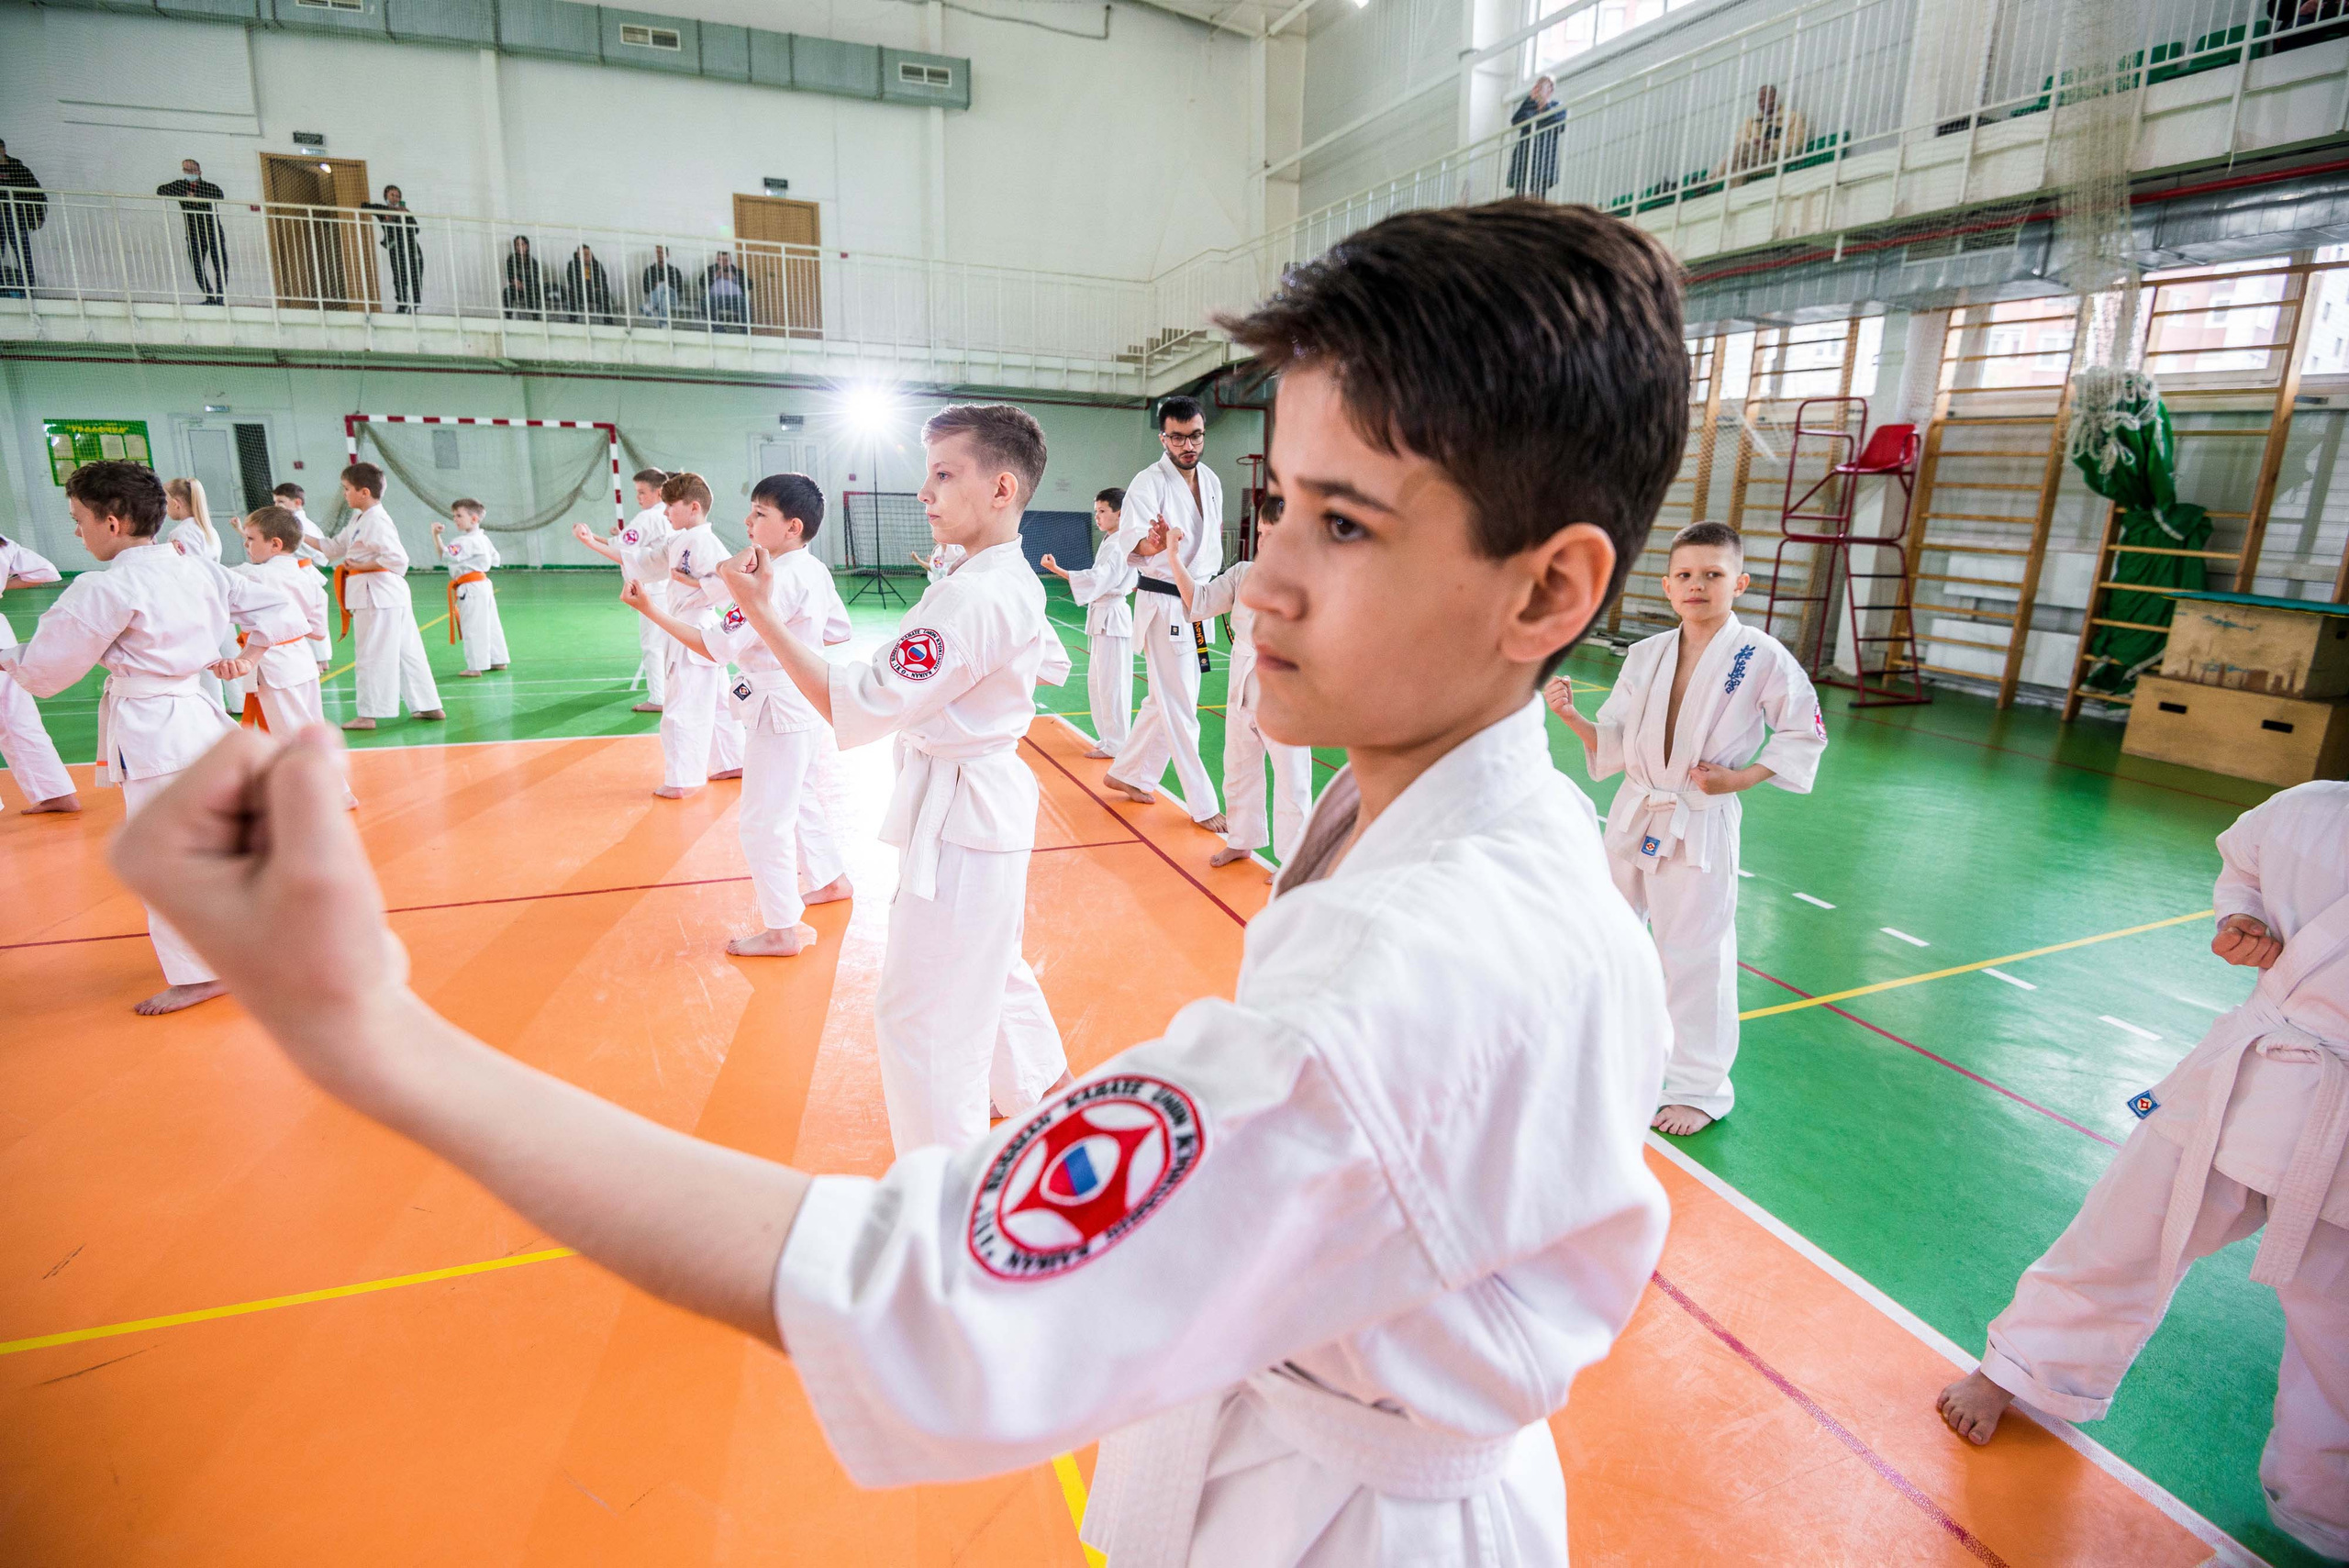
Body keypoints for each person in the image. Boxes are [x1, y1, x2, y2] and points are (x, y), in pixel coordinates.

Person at [106, 200, 1688, 1567]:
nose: (1263, 573)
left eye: (1345, 523)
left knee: (945, 1044)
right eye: (1275, 500)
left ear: (1547, 586)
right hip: (1310, 1442)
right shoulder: (1423, 819)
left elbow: (911, 1289)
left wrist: (377, 1030)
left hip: (1356, 1521)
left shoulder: (1421, 978)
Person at [1937, 780, 2349, 1562]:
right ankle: (2020, 1368)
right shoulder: (2311, 808)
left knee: (2342, 1324)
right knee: (2120, 1232)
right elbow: (2243, 861)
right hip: (2247, 1071)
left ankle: (2329, 1507)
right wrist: (2242, 918)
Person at [718, 404, 1074, 1152]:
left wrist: (760, 613)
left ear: (1002, 488)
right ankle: (1038, 1086)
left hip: (964, 816)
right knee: (987, 963)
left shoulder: (978, 595)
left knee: (925, 1018)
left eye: (945, 474)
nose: (924, 491)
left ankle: (945, 1193)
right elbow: (1044, 662)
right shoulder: (996, 579)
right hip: (982, 802)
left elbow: (861, 701)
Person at [1545, 520, 1824, 1136]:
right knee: (1605, 938)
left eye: (1714, 574)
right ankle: (1597, 1057)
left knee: (1695, 952)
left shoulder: (1760, 657)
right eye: (1686, 575)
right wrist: (1571, 718)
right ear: (1668, 586)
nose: (1698, 584)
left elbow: (1805, 730)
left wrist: (1742, 779)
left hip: (1699, 816)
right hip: (1635, 810)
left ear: (1740, 583)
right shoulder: (1645, 655)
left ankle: (1700, 1088)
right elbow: (1615, 742)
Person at [5, 460, 306, 1013]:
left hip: (154, 728)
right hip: (196, 715)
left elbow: (46, 672)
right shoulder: (190, 565)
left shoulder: (108, 585)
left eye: (78, 519)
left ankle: (200, 973)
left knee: (165, 852)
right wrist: (249, 654)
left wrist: (9, 659)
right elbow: (277, 607)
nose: (77, 530)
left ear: (112, 523)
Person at [624, 473, 854, 957]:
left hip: (777, 707)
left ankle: (782, 929)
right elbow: (837, 630)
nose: (748, 521)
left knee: (762, 821)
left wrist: (652, 610)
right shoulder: (812, 571)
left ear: (792, 527)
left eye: (760, 514)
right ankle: (830, 879)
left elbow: (713, 647)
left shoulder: (768, 581)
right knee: (802, 796)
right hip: (805, 698)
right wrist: (790, 639)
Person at [1164, 502, 1314, 873]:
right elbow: (1199, 602)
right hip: (1243, 688)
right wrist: (1172, 555)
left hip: (1286, 694)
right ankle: (1241, 841)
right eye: (1261, 533)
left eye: (1274, 535)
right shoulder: (1244, 573)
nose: (1265, 542)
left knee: (1293, 783)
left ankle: (1295, 862)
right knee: (1239, 768)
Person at [1104, 396, 1228, 832]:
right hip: (1164, 602)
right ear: (1163, 438)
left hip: (1199, 600)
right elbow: (1130, 539)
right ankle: (1203, 802)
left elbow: (1209, 545)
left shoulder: (1210, 480)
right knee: (1179, 705)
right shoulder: (1148, 481)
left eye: (1195, 435)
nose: (1187, 444)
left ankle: (1128, 773)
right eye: (1177, 437)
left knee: (1165, 700)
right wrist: (1149, 547)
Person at [596, 471, 741, 797]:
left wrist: (698, 584)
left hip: (694, 629)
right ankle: (731, 760)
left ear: (692, 507)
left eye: (670, 506)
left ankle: (683, 780)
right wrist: (594, 543)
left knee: (681, 708)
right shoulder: (682, 540)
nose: (665, 513)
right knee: (718, 703)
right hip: (694, 630)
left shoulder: (705, 542)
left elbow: (734, 585)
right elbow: (645, 561)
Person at [217, 506, 343, 796]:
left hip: (272, 664)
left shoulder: (253, 576)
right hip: (301, 659)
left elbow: (214, 582)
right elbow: (318, 630)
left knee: (288, 736)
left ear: (275, 544)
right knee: (309, 731)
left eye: (250, 539)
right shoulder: (308, 578)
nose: (246, 545)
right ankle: (334, 789)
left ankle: (317, 795)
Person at [321, 462, 444, 730]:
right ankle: (429, 705)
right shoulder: (360, 518)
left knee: (371, 654)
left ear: (364, 492)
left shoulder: (375, 519)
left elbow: (399, 560)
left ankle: (368, 715)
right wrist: (296, 536)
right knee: (407, 651)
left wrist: (360, 566)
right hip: (385, 595)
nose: (344, 494)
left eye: (347, 489)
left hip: (376, 595)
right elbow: (332, 548)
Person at [1038, 486, 1135, 760]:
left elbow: (1098, 578)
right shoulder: (1112, 540)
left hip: (1112, 618)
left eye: (1103, 511)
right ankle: (1109, 739)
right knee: (1100, 682)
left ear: (1121, 512)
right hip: (1104, 615)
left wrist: (1058, 571)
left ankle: (1117, 743)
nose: (1098, 517)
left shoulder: (1119, 544)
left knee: (1112, 683)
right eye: (1096, 512)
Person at [578, 468, 674, 712]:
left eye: (642, 492)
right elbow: (624, 544)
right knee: (669, 642)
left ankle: (658, 699)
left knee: (652, 645)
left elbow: (619, 549)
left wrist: (588, 539)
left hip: (652, 589)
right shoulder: (669, 515)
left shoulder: (648, 517)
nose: (639, 497)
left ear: (659, 491)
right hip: (670, 587)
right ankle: (670, 691)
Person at [0, 529, 77, 814]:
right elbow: (47, 571)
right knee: (17, 717)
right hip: (1, 634)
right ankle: (57, 793)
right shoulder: (3, 542)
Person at [164, 477, 231, 714]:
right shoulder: (208, 529)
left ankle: (213, 708)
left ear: (176, 503)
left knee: (205, 660)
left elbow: (187, 572)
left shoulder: (181, 532)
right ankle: (239, 702)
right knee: (226, 656)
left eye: (166, 501)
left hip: (197, 601)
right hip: (219, 596)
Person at [430, 500, 509, 677]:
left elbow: (445, 557)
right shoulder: (483, 538)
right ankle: (498, 659)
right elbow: (496, 560)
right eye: (454, 516)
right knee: (490, 623)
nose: (455, 519)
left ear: (474, 519)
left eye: (459, 516)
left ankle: (475, 666)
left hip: (470, 587)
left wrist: (436, 536)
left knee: (472, 626)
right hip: (483, 584)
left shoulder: (463, 541)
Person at [155, 158, 228, 305]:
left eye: (191, 170)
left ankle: (220, 298)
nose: (189, 173)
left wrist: (197, 197)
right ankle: (209, 297)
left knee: (220, 266)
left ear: (199, 172)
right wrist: (183, 192)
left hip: (212, 230)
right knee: (197, 266)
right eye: (186, 170)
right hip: (194, 232)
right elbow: (160, 190)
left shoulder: (209, 187)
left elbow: (219, 195)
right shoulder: (180, 185)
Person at [1727, 84, 1809, 183]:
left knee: (1739, 156)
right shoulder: (1751, 121)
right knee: (1739, 165)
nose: (1761, 103)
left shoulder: (1792, 117)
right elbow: (1739, 139)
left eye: (1765, 98)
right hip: (1753, 160)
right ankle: (1730, 194)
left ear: (1775, 97)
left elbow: (1797, 142)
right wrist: (1754, 142)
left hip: (1775, 161)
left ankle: (1711, 179)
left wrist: (1770, 144)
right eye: (1759, 100)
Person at [362, 184, 423, 313]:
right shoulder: (383, 210)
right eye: (392, 195)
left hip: (412, 247)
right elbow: (364, 206)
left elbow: (416, 230)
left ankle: (416, 304)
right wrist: (387, 211)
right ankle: (402, 303)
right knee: (399, 275)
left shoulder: (405, 212)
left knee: (416, 274)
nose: (395, 198)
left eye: (397, 196)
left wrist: (406, 215)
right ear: (386, 197)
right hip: (396, 248)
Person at [1506, 76, 1564, 198]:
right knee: (1520, 197)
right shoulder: (1529, 106)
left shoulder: (1557, 106)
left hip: (1543, 160)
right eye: (1538, 86)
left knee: (1537, 198)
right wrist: (1529, 100)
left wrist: (1545, 104)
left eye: (1544, 86)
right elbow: (1516, 121)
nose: (1540, 90)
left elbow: (1559, 124)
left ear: (1550, 89)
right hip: (1524, 159)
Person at [0, 139, 44, 298]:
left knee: (23, 253)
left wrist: (39, 216)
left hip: (17, 219)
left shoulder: (19, 169)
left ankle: (27, 288)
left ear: (4, 150)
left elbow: (36, 193)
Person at [567, 243, 616, 326]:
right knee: (572, 294)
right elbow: (572, 280)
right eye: (584, 255)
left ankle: (608, 322)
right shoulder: (573, 265)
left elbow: (603, 278)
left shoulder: (596, 265)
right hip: (580, 292)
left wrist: (597, 287)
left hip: (595, 292)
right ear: (578, 255)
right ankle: (572, 321)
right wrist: (580, 264)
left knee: (604, 295)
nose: (587, 257)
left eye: (588, 254)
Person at [704, 251, 750, 332]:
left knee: (746, 303)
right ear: (717, 260)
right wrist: (714, 276)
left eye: (726, 260)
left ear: (730, 261)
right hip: (715, 298)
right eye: (721, 260)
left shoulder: (737, 271)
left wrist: (735, 278)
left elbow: (750, 284)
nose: (724, 262)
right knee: (704, 302)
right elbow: (701, 282)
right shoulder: (710, 270)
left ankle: (745, 332)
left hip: (735, 299)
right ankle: (719, 329)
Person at [502, 236, 544, 319]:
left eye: (522, 244)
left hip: (530, 287)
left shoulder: (533, 262)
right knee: (507, 292)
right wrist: (516, 282)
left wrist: (525, 285)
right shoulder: (511, 259)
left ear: (527, 246)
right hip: (517, 288)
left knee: (532, 291)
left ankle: (535, 317)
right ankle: (508, 317)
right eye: (517, 245)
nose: (520, 247)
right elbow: (511, 275)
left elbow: (535, 277)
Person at [640, 245, 685, 326]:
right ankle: (664, 324)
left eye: (662, 253)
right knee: (664, 298)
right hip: (658, 298)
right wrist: (657, 287)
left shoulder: (674, 270)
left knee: (663, 286)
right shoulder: (649, 270)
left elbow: (679, 288)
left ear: (667, 255)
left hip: (673, 298)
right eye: (658, 253)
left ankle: (649, 306)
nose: (660, 255)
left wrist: (664, 286)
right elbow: (646, 288)